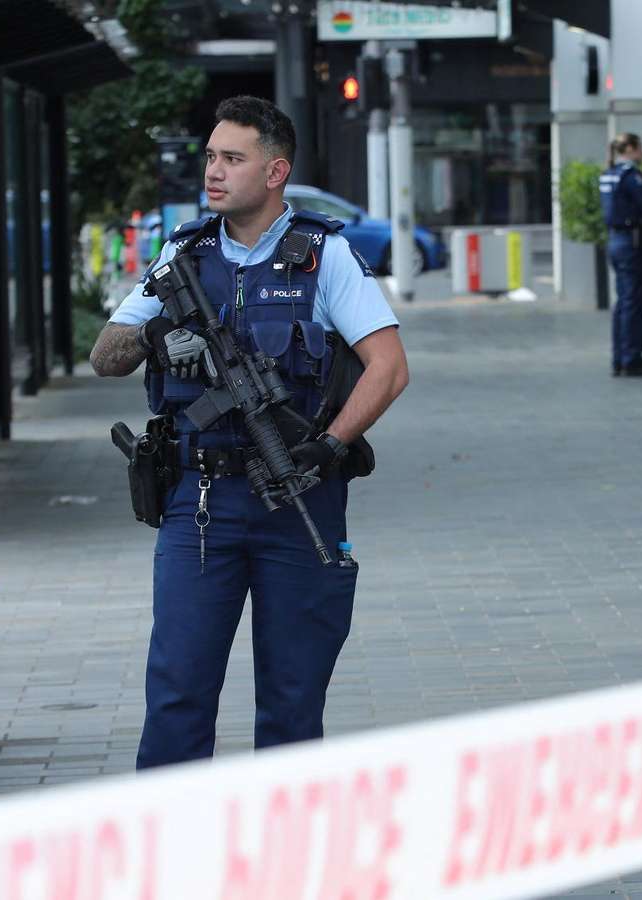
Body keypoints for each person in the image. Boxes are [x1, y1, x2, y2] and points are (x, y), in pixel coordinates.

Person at [89, 96, 409, 767]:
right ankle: (170, 856)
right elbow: (104, 357)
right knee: (178, 693)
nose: (213, 170)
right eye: (211, 155)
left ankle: (282, 863)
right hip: (199, 503)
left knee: (293, 702)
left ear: (274, 171)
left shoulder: (324, 256)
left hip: (298, 496)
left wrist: (330, 445)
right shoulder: (184, 254)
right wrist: (155, 332)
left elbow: (388, 368)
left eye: (232, 158)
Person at [600, 133, 642, 377]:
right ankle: (631, 358)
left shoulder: (609, 174)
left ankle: (620, 357)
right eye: (640, 148)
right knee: (635, 301)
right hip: (633, 242)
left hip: (616, 241)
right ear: (631, 148)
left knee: (624, 301)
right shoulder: (632, 176)